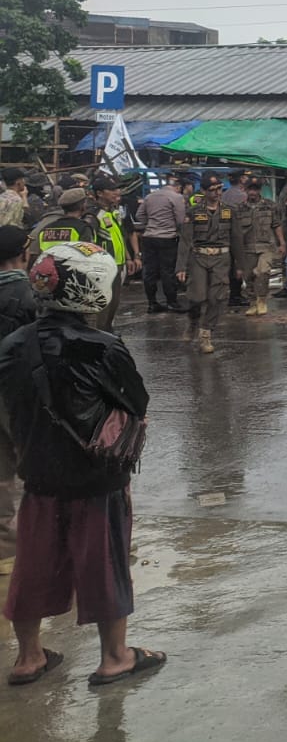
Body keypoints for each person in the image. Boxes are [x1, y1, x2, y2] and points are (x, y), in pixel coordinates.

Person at [0, 242, 163, 687]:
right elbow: (137, 401)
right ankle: (115, 657)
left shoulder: (13, 344)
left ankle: (29, 657)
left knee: (32, 565)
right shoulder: (103, 346)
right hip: (97, 481)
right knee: (105, 564)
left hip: (38, 477)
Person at [0, 225, 38, 589]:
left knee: (1, 474)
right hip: (19, 396)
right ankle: (43, 542)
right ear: (24, 254)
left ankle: (5, 552)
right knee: (37, 468)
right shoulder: (30, 295)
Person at [178, 174, 243, 354]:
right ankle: (193, 320)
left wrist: (240, 265)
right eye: (212, 190)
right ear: (204, 191)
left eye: (219, 189)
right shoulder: (194, 211)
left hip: (221, 258)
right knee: (197, 296)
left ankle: (206, 334)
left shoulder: (230, 211)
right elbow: (185, 240)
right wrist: (181, 267)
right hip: (199, 258)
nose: (217, 193)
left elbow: (237, 238)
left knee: (217, 297)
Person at [134, 174, 190, 313]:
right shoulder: (177, 197)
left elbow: (139, 216)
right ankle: (172, 302)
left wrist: (152, 223)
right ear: (178, 188)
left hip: (149, 237)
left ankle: (152, 303)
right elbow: (180, 220)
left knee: (150, 271)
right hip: (168, 238)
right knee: (168, 271)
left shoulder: (150, 196)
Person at [88, 177, 137, 331]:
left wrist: (129, 258)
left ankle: (108, 332)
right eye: (112, 189)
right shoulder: (93, 216)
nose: (117, 192)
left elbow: (121, 237)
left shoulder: (114, 212)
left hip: (118, 265)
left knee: (114, 303)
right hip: (103, 267)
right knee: (103, 305)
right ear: (100, 193)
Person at [237, 179, 284, 316]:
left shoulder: (270, 206)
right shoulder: (239, 208)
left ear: (259, 190)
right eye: (250, 189)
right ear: (245, 190)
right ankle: (253, 302)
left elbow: (276, 224)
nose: (253, 192)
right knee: (248, 276)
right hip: (247, 247)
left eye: (255, 189)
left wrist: (282, 243)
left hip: (266, 246)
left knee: (263, 272)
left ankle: (262, 300)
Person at [26, 187, 97, 262]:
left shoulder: (46, 229)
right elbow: (89, 258)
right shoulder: (83, 228)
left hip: (49, 271)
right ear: (83, 206)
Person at [221, 172, 250, 308]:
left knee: (231, 266)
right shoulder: (242, 196)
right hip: (239, 233)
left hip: (225, 234)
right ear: (242, 179)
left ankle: (233, 295)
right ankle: (236, 296)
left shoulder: (224, 194)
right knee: (239, 266)